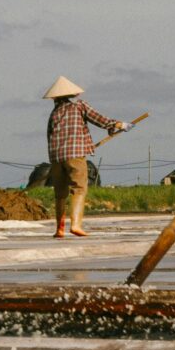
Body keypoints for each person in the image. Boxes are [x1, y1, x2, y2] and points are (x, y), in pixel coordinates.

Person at [43, 77, 125, 238]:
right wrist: (119, 125)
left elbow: (49, 136)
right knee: (79, 188)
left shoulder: (54, 113)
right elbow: (100, 120)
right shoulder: (79, 106)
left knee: (60, 193)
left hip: (56, 157)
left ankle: (59, 229)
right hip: (75, 154)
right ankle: (76, 225)